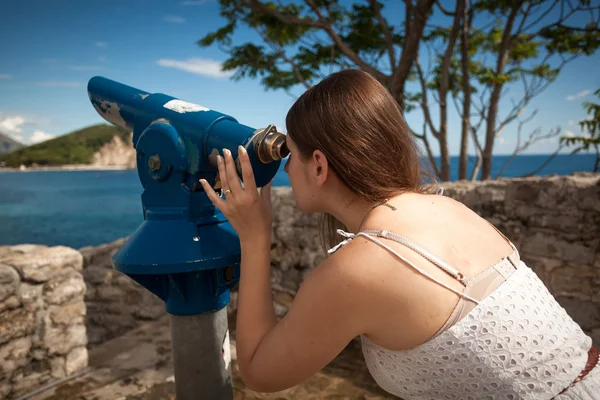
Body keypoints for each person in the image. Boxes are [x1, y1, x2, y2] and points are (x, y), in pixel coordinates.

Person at [198, 69, 599, 399]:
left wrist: (254, 235)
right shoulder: (447, 208)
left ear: (319, 166)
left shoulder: (358, 269)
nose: (285, 169)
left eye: (292, 153)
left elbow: (259, 372)